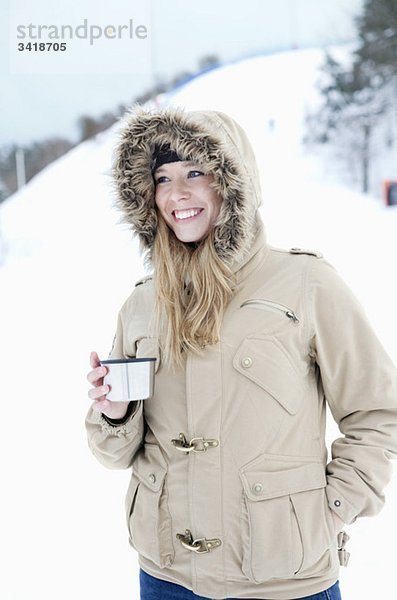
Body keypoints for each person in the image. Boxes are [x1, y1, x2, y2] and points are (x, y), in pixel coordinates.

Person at [85, 107, 397, 600]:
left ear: (232, 184)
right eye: (161, 178)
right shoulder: (142, 303)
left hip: (284, 580)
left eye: (194, 172)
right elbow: (112, 452)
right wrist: (115, 413)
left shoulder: (307, 284)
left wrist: (334, 505)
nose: (177, 194)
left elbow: (379, 411)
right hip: (168, 578)